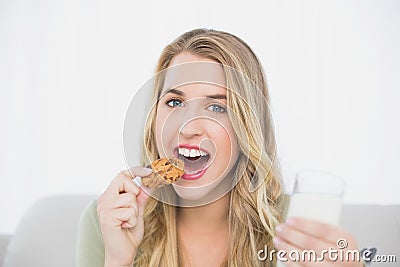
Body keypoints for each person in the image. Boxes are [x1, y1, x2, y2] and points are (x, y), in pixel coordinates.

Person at [77, 28, 363, 267]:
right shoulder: (110, 221)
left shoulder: (299, 229)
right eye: (174, 103)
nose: (187, 127)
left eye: (216, 107)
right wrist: (117, 260)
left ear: (247, 128)